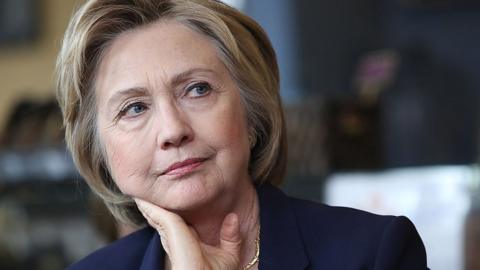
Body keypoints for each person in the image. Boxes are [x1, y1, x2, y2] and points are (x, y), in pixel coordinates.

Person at [56, 0, 429, 269]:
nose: (172, 131)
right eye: (134, 108)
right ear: (100, 150)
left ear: (253, 113)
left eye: (197, 89)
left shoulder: (375, 252)